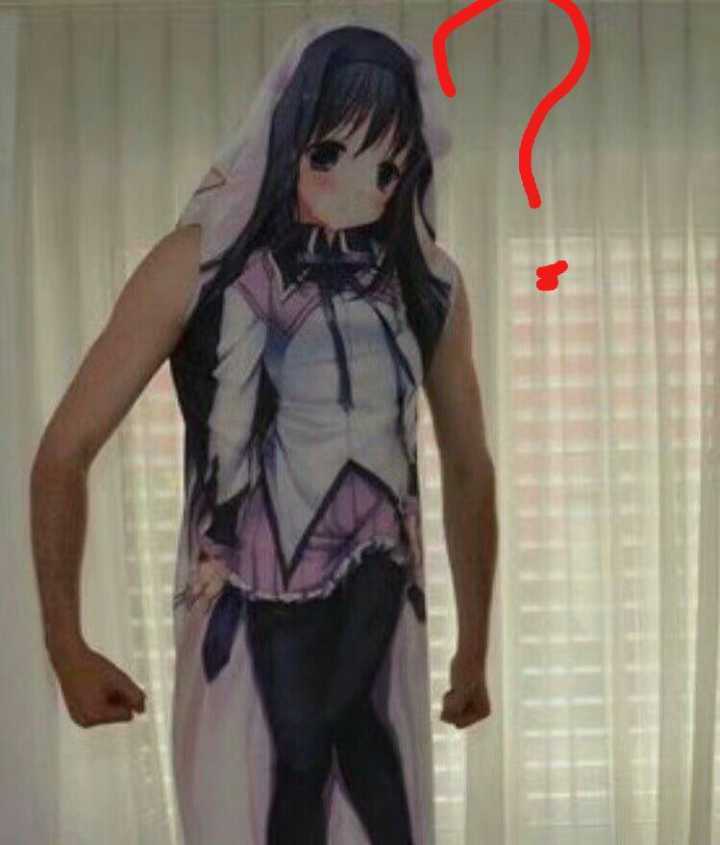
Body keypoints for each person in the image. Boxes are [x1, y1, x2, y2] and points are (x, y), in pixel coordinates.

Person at [30, 17, 496, 845]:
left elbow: (470, 469)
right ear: (291, 140)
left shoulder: (429, 286)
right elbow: (63, 451)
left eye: (384, 168)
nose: (355, 187)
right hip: (263, 569)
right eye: (330, 154)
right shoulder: (200, 265)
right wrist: (65, 643)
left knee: (329, 737)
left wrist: (473, 647)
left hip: (375, 561)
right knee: (305, 754)